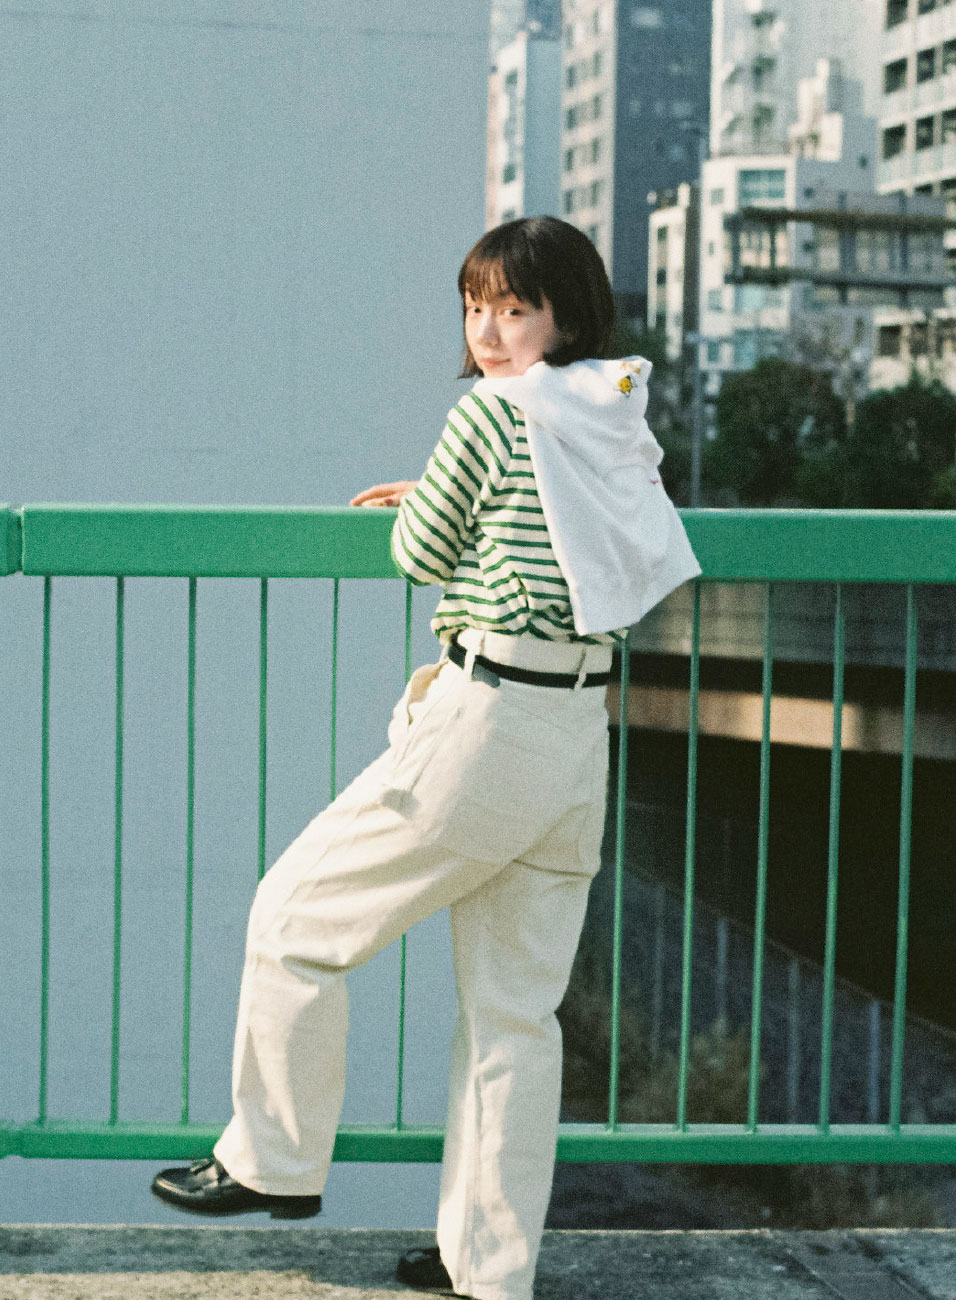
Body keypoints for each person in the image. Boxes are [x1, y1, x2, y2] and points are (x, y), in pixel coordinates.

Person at [149, 216, 700, 1300]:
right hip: (577, 730)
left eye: (514, 309)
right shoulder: (607, 411)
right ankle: (486, 1267)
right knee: (513, 1014)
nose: (488, 331)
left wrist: (436, 494)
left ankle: (270, 1160)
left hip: (486, 723)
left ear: (563, 319)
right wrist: (458, 493)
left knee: (295, 919)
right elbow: (574, 530)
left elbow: (419, 552)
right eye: (476, 307)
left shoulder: (489, 413)